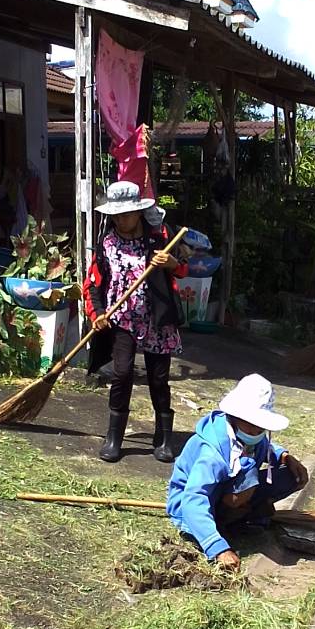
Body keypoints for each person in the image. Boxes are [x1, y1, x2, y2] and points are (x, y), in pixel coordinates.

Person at [84, 179, 187, 464]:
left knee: (158, 378)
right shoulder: (106, 243)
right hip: (123, 320)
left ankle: (164, 437)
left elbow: (184, 267)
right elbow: (93, 284)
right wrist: (98, 314)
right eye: (116, 214)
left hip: (157, 320)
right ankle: (114, 437)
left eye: (126, 213)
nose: (121, 219)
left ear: (139, 212)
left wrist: (171, 264)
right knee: (122, 373)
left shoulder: (160, 238)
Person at [167, 374, 309, 571]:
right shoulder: (211, 454)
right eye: (250, 423)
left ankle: (243, 513)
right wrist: (218, 549)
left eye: (260, 426)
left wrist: (283, 455)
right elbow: (194, 498)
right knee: (249, 471)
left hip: (227, 494)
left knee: (291, 475)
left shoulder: (252, 436)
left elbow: (265, 445)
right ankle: (223, 521)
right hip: (190, 508)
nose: (255, 430)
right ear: (234, 417)